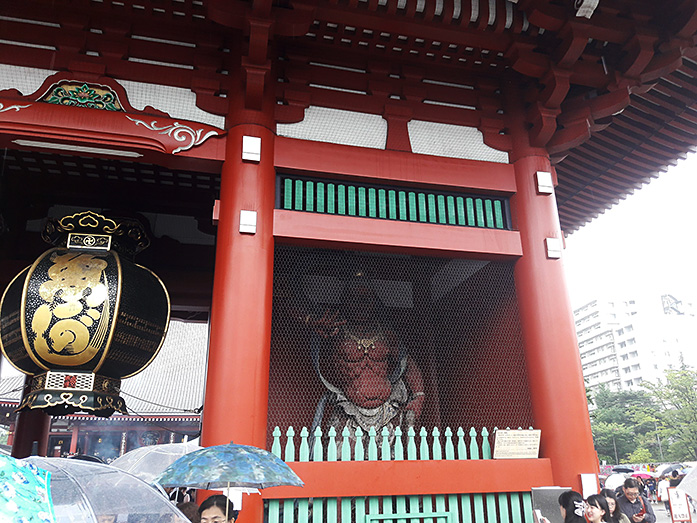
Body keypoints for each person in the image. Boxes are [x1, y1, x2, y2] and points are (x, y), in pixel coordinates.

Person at [302, 270, 425, 436]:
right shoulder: (335, 330)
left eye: (366, 299)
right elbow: (292, 305)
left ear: (373, 302)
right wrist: (312, 320)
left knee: (390, 459)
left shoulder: (386, 334)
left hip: (387, 409)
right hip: (349, 408)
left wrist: (419, 395)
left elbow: (407, 363)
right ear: (344, 300)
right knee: (340, 455)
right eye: (354, 298)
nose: (361, 304)